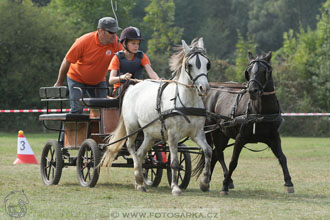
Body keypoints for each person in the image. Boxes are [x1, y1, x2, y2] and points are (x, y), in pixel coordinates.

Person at [54, 17, 123, 113]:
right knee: (77, 109)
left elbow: (124, 60)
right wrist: (59, 82)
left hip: (98, 81)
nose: (114, 35)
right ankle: (67, 129)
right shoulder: (84, 41)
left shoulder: (116, 43)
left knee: (103, 109)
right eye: (111, 32)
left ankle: (96, 128)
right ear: (101, 31)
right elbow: (67, 61)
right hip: (76, 78)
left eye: (116, 32)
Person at [108, 26, 159, 96]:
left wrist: (158, 80)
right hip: (120, 91)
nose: (136, 46)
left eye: (138, 43)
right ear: (124, 43)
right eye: (133, 43)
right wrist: (122, 77)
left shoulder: (142, 56)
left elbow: (151, 73)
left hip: (138, 89)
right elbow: (111, 80)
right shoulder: (117, 58)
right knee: (130, 89)